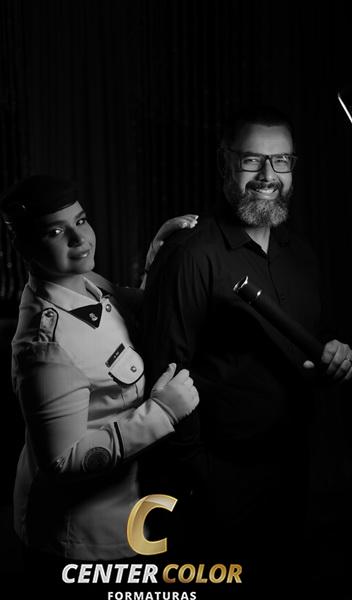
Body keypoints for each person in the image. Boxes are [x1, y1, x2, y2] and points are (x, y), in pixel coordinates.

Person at [141, 106, 352, 592]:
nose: (267, 176)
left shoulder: (301, 254)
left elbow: (309, 351)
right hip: (220, 485)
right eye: (252, 160)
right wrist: (202, 479)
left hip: (295, 473)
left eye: (281, 161)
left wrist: (333, 359)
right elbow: (164, 376)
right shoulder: (190, 255)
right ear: (225, 164)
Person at [0, 174, 199, 582]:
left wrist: (158, 258)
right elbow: (61, 459)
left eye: (81, 220)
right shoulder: (44, 345)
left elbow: (131, 315)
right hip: (78, 540)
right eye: (56, 231)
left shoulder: (87, 285)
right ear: (25, 247)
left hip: (131, 512)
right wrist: (161, 413)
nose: (80, 239)